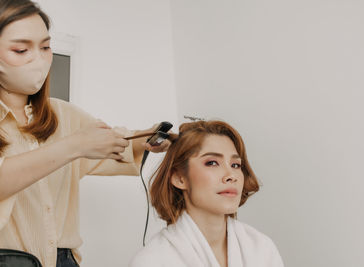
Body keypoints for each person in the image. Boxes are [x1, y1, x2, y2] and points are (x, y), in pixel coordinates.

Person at [0, 0, 169, 266]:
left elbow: (114, 146)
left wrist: (147, 138)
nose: (39, 58)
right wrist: (73, 146)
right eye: (21, 50)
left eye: (45, 47)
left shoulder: (63, 115)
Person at [130, 120, 284, 267]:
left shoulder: (262, 249)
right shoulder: (152, 261)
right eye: (212, 163)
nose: (231, 175)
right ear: (179, 178)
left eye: (236, 165)